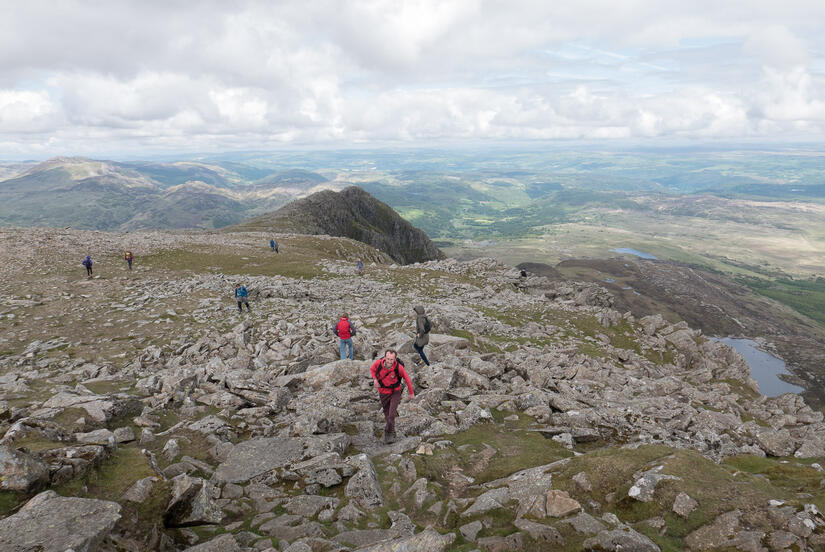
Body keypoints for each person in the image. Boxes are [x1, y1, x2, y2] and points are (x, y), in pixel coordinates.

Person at [370, 349, 414, 444]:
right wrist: (374, 380)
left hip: (395, 392)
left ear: (395, 359)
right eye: (388, 359)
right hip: (383, 393)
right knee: (387, 416)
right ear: (385, 357)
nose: (389, 361)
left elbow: (407, 379)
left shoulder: (399, 368)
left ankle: (388, 432)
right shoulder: (378, 364)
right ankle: (392, 429)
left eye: (391, 359)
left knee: (391, 415)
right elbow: (372, 370)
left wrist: (411, 393)